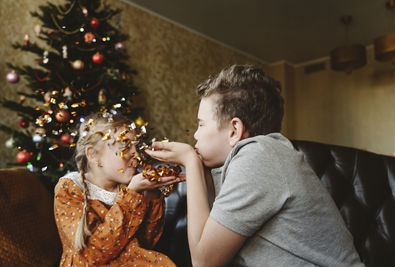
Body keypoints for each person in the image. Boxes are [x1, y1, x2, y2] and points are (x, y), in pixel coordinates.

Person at [146, 65, 364, 267]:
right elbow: (213, 230)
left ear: (234, 130)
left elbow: (204, 261)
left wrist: (190, 162)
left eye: (201, 124)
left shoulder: (260, 156)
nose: (195, 134)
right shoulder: (258, 157)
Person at [54, 112, 182, 266]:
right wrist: (131, 196)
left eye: (136, 145)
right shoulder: (71, 188)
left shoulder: (128, 188)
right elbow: (92, 255)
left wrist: (151, 194)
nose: (136, 153)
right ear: (93, 155)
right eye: (125, 146)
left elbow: (147, 242)